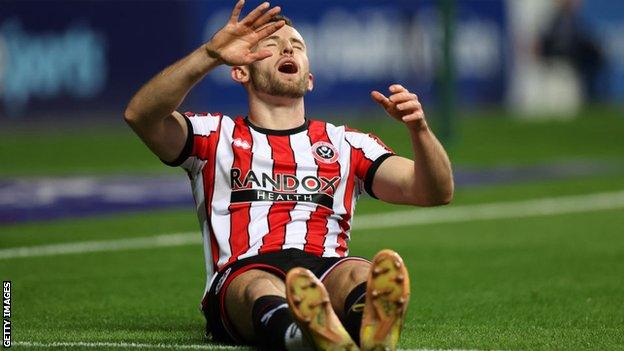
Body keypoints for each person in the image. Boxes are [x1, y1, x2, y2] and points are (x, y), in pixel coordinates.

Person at [124, 1, 453, 350]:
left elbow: (434, 191)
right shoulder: (213, 135)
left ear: (309, 79)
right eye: (272, 43)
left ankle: (367, 332)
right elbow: (141, 115)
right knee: (258, 287)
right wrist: (210, 54)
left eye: (297, 45)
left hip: (325, 271)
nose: (287, 48)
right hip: (244, 271)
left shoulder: (347, 144)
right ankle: (299, 335)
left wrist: (420, 131)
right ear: (241, 71)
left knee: (362, 274)